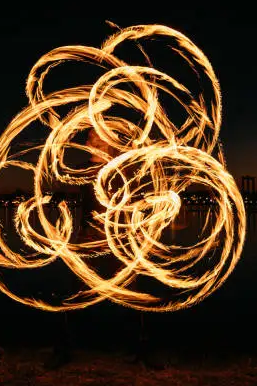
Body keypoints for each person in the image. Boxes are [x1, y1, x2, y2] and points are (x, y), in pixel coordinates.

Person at [44, 128, 164, 370]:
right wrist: (54, 198)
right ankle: (63, 350)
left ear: (109, 142)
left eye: (96, 136)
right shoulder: (82, 170)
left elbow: (141, 195)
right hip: (88, 241)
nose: (90, 140)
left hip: (118, 242)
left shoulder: (123, 169)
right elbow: (60, 183)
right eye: (88, 137)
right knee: (73, 297)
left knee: (132, 296)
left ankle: (142, 350)